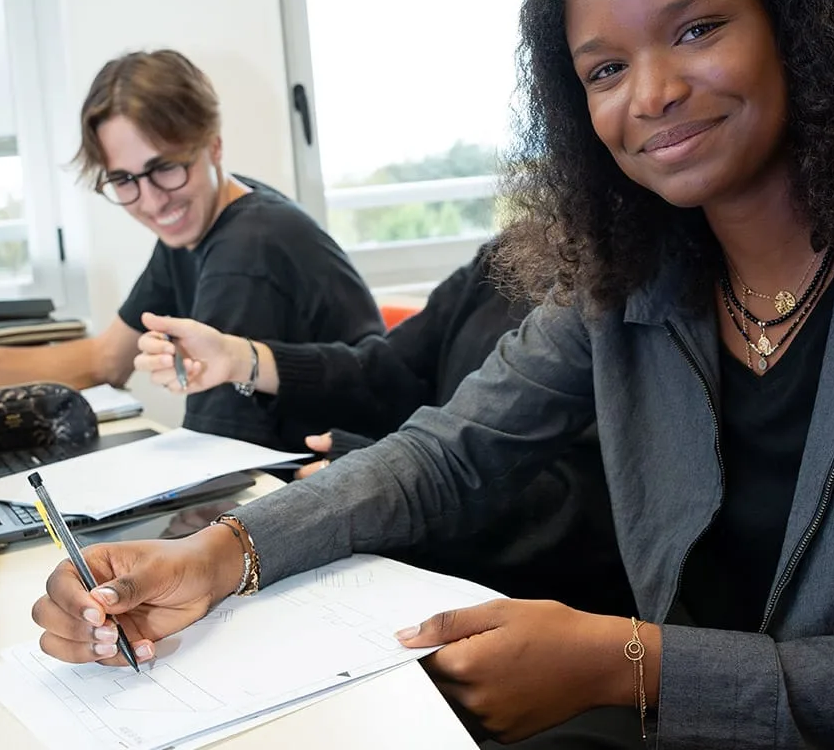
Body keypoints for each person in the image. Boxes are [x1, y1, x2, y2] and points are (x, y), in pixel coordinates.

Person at [31, 0, 834, 749]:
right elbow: (445, 455)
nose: (652, 93)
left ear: (804, 28)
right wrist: (214, 556)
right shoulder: (633, 278)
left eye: (697, 29)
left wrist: (628, 664)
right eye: (605, 69)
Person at [134, 236, 634, 614]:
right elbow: (391, 373)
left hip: (531, 596)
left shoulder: (619, 289)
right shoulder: (510, 254)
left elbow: (570, 502)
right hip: (430, 559)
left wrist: (367, 480)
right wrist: (242, 358)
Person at [0, 49, 383, 450]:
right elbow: (107, 360)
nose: (152, 202)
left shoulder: (248, 246)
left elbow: (216, 450)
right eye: (124, 180)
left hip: (344, 476)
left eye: (164, 168)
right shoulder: (194, 227)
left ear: (213, 145)